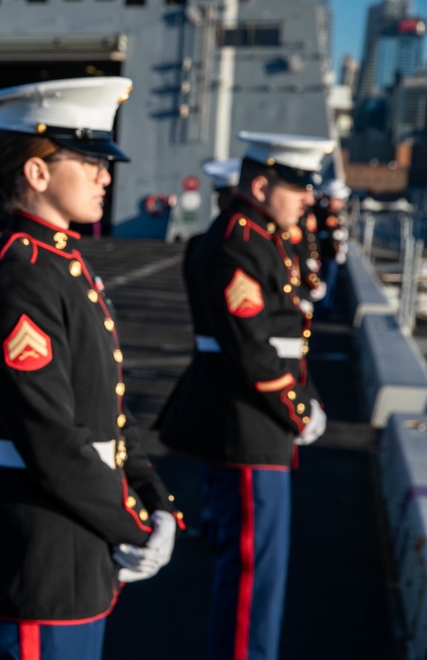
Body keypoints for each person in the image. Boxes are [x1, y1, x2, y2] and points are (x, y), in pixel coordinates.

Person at [0, 77, 183, 660]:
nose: (107, 175)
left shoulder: (60, 263)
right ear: (37, 171)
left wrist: (155, 500)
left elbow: (110, 413)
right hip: (38, 554)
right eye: (91, 160)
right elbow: (51, 438)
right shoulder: (20, 274)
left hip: (75, 546)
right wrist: (135, 524)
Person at [156, 131, 331, 660]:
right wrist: (299, 409)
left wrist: (306, 399)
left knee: (257, 570)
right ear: (261, 184)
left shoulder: (262, 236)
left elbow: (279, 339)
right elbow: (253, 349)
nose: (307, 198)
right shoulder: (239, 241)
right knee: (254, 576)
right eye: (297, 186)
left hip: (258, 420)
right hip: (251, 421)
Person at [313, 179, 352, 320]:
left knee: (329, 285)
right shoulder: (325, 214)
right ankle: (322, 312)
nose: (341, 203)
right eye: (339, 200)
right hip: (326, 256)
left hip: (330, 256)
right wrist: (336, 250)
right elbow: (330, 237)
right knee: (325, 285)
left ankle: (325, 308)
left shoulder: (331, 214)